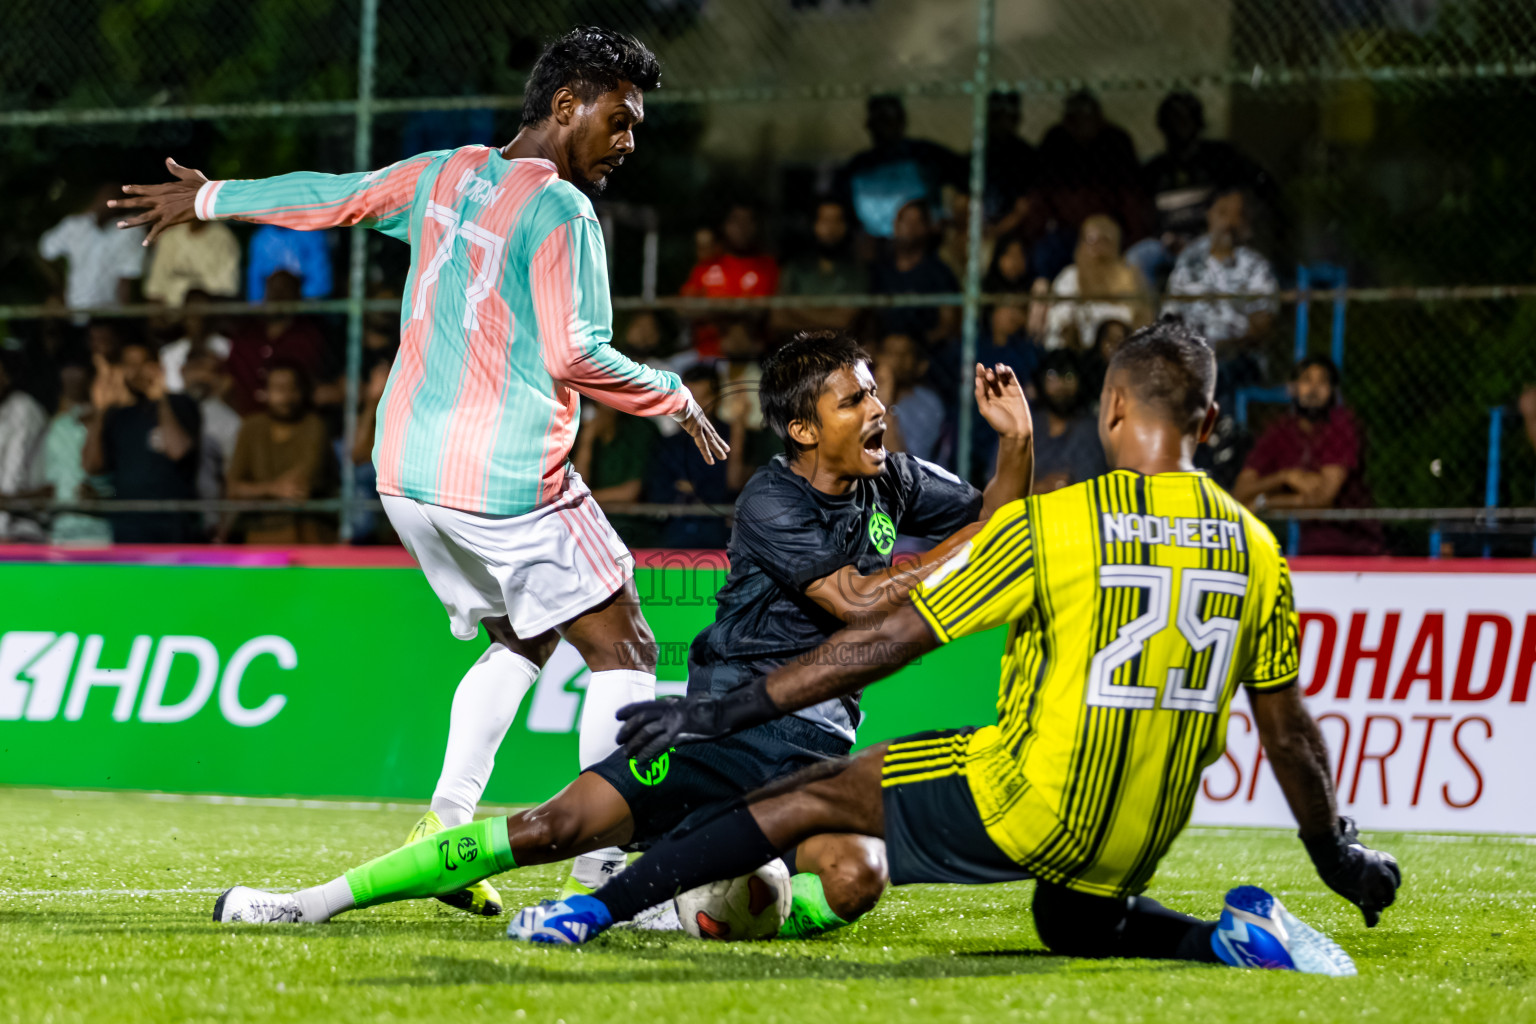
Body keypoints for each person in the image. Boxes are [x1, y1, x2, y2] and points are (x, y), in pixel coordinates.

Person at [517, 320, 1403, 980]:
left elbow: (877, 640)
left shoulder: (1060, 527)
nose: (876, 410)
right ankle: (1221, 938)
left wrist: (718, 710)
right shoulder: (1257, 548)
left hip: (1030, 798)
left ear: (1112, 409)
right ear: (1211, 420)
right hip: (1138, 836)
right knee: (1071, 920)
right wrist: (1337, 856)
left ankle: (592, 909)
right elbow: (1289, 734)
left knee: (803, 798)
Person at [116, 27, 728, 912]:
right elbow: (577, 351)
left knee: (525, 635)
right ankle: (607, 863)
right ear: (566, 106)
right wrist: (670, 394)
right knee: (626, 641)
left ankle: (444, 826)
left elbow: (336, 196)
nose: (629, 141)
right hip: (507, 480)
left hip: (406, 473)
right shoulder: (562, 211)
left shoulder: (445, 171)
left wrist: (212, 196)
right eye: (620, 120)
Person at [211, 330, 1034, 940]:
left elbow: (996, 517)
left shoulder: (892, 477)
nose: (876, 409)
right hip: (726, 730)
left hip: (816, 749)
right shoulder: (772, 503)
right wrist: (981, 533)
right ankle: (309, 902)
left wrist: (1018, 445)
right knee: (550, 830)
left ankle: (689, 913)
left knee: (857, 880)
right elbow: (859, 600)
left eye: (873, 393)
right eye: (853, 399)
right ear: (805, 430)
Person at [1233, 356, 1384, 555]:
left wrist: (1266, 502)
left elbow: (1322, 498)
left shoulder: (1342, 427)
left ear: (1333, 391)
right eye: (1306, 380)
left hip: (1354, 545)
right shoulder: (1279, 431)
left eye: (1322, 382)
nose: (1314, 389)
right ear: (1292, 388)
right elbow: (1239, 494)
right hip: (1302, 547)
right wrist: (1285, 477)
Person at [1128, 92, 1275, 289]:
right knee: (1137, 257)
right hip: (1166, 243)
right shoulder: (1154, 170)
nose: (1178, 127)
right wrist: (1166, 238)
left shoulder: (1221, 159)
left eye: (1184, 119)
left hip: (1210, 239)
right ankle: (1149, 316)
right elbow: (1143, 216)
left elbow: (1262, 187)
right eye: (1171, 121)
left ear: (1197, 123)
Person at [81, 342, 201, 544]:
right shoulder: (117, 415)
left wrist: (161, 399)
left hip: (174, 525)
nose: (135, 372)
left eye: (142, 364)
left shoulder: (181, 404)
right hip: (128, 525)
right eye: (129, 365)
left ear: (157, 367)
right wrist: (101, 410)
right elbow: (92, 466)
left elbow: (178, 450)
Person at [1027, 92, 1147, 281]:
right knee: (1046, 253)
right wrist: (1035, 233)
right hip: (1067, 231)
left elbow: (1132, 198)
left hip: (1109, 227)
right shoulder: (1056, 142)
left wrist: (1133, 238)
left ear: (1099, 118)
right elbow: (1041, 198)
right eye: (1075, 118)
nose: (1082, 124)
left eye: (1087, 117)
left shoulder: (1116, 142)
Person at [1164, 189, 1278, 390]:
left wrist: (1224, 346)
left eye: (1237, 215)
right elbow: (1171, 313)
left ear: (1244, 222)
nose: (1229, 223)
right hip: (1189, 353)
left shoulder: (1255, 266)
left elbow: (1262, 325)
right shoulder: (1189, 260)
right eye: (1223, 213)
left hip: (1236, 357)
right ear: (1209, 216)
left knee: (1214, 371)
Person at [225, 363, 338, 544]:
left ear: (302, 392)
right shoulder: (251, 427)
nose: (286, 396)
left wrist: (257, 490)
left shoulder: (313, 425)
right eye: (278, 388)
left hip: (307, 523)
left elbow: (300, 484)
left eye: (292, 388)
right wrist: (273, 489)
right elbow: (233, 489)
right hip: (259, 525)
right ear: (265, 392)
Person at [836, 94, 966, 240]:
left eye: (889, 120)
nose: (883, 128)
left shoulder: (926, 155)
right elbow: (840, 210)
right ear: (869, 125)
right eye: (879, 120)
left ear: (902, 122)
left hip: (923, 244)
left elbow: (964, 183)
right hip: (874, 247)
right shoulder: (857, 166)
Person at [223, 270, 332, 415]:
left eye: (285, 289)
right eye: (273, 289)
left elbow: (316, 385)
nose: (278, 296)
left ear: (297, 295)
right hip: (243, 417)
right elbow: (229, 375)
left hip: (295, 418)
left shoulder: (309, 335)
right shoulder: (247, 333)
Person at [680, 203, 780, 361]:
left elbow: (760, 312)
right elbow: (686, 307)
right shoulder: (707, 265)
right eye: (735, 221)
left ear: (756, 226)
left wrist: (713, 308)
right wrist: (738, 308)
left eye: (748, 221)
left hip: (752, 356)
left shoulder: (768, 266)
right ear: (725, 226)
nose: (741, 228)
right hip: (702, 355)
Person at [1042, 214, 1152, 351]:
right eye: (1092, 240)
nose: (1098, 247)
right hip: (1083, 352)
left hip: (1123, 351)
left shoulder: (1130, 277)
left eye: (1105, 240)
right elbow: (1060, 320)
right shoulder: (1071, 277)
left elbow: (1142, 319)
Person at [38, 183, 147, 320]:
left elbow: (125, 280)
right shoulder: (75, 225)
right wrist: (59, 286)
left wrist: (121, 318)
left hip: (108, 315)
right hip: (74, 312)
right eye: (104, 198)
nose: (108, 203)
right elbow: (45, 250)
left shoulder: (129, 231)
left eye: (114, 199)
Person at [38, 362, 113, 544]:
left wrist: (104, 494)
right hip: (61, 531)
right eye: (67, 379)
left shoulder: (113, 423)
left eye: (77, 378)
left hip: (101, 532)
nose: (72, 385)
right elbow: (52, 483)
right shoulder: (60, 426)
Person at [871, 200, 961, 345]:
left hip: (927, 352)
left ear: (927, 227)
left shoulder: (939, 273)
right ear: (895, 225)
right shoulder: (881, 271)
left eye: (916, 222)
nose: (910, 227)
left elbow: (948, 324)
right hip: (884, 349)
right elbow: (870, 319)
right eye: (905, 221)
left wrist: (916, 345)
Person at [772, 199, 868, 334]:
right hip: (797, 350)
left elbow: (843, 321)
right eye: (825, 221)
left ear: (846, 226)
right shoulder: (795, 267)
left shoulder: (857, 271)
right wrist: (828, 321)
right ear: (813, 225)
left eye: (837, 221)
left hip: (840, 352)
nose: (830, 228)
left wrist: (797, 311)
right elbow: (779, 319)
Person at [180, 351, 242, 540]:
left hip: (209, 525)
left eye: (207, 371)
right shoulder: (164, 410)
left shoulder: (230, 422)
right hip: (168, 521)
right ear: (182, 372)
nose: (199, 376)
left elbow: (232, 481)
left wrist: (224, 529)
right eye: (194, 369)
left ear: (220, 378)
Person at [1028, 349, 1107, 492]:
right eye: (1052, 376)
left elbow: (1090, 491)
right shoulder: (1028, 424)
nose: (1061, 385)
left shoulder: (1090, 430)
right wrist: (1040, 487)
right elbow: (997, 483)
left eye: (1069, 376)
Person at [873, 333, 945, 464]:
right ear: (878, 357)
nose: (896, 360)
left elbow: (904, 468)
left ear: (920, 365)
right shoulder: (860, 396)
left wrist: (885, 405)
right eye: (890, 353)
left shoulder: (927, 404)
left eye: (904, 354)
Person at [0, 350, 49, 541]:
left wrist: (3, 524)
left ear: (8, 377)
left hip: (20, 527)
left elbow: (14, 471)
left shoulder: (23, 407)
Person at [143, 220, 242, 306]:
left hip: (210, 312)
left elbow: (227, 288)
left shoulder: (223, 238)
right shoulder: (169, 237)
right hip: (172, 313)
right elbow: (155, 287)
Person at [159, 289, 234, 394]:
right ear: (183, 314)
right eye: (192, 310)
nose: (196, 316)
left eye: (202, 309)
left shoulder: (227, 346)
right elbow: (174, 389)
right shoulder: (169, 353)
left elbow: (227, 383)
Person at [246, 225, 333, 301]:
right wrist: (257, 304)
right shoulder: (261, 237)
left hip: (303, 299)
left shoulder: (311, 233)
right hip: (271, 300)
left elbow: (319, 276)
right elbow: (255, 277)